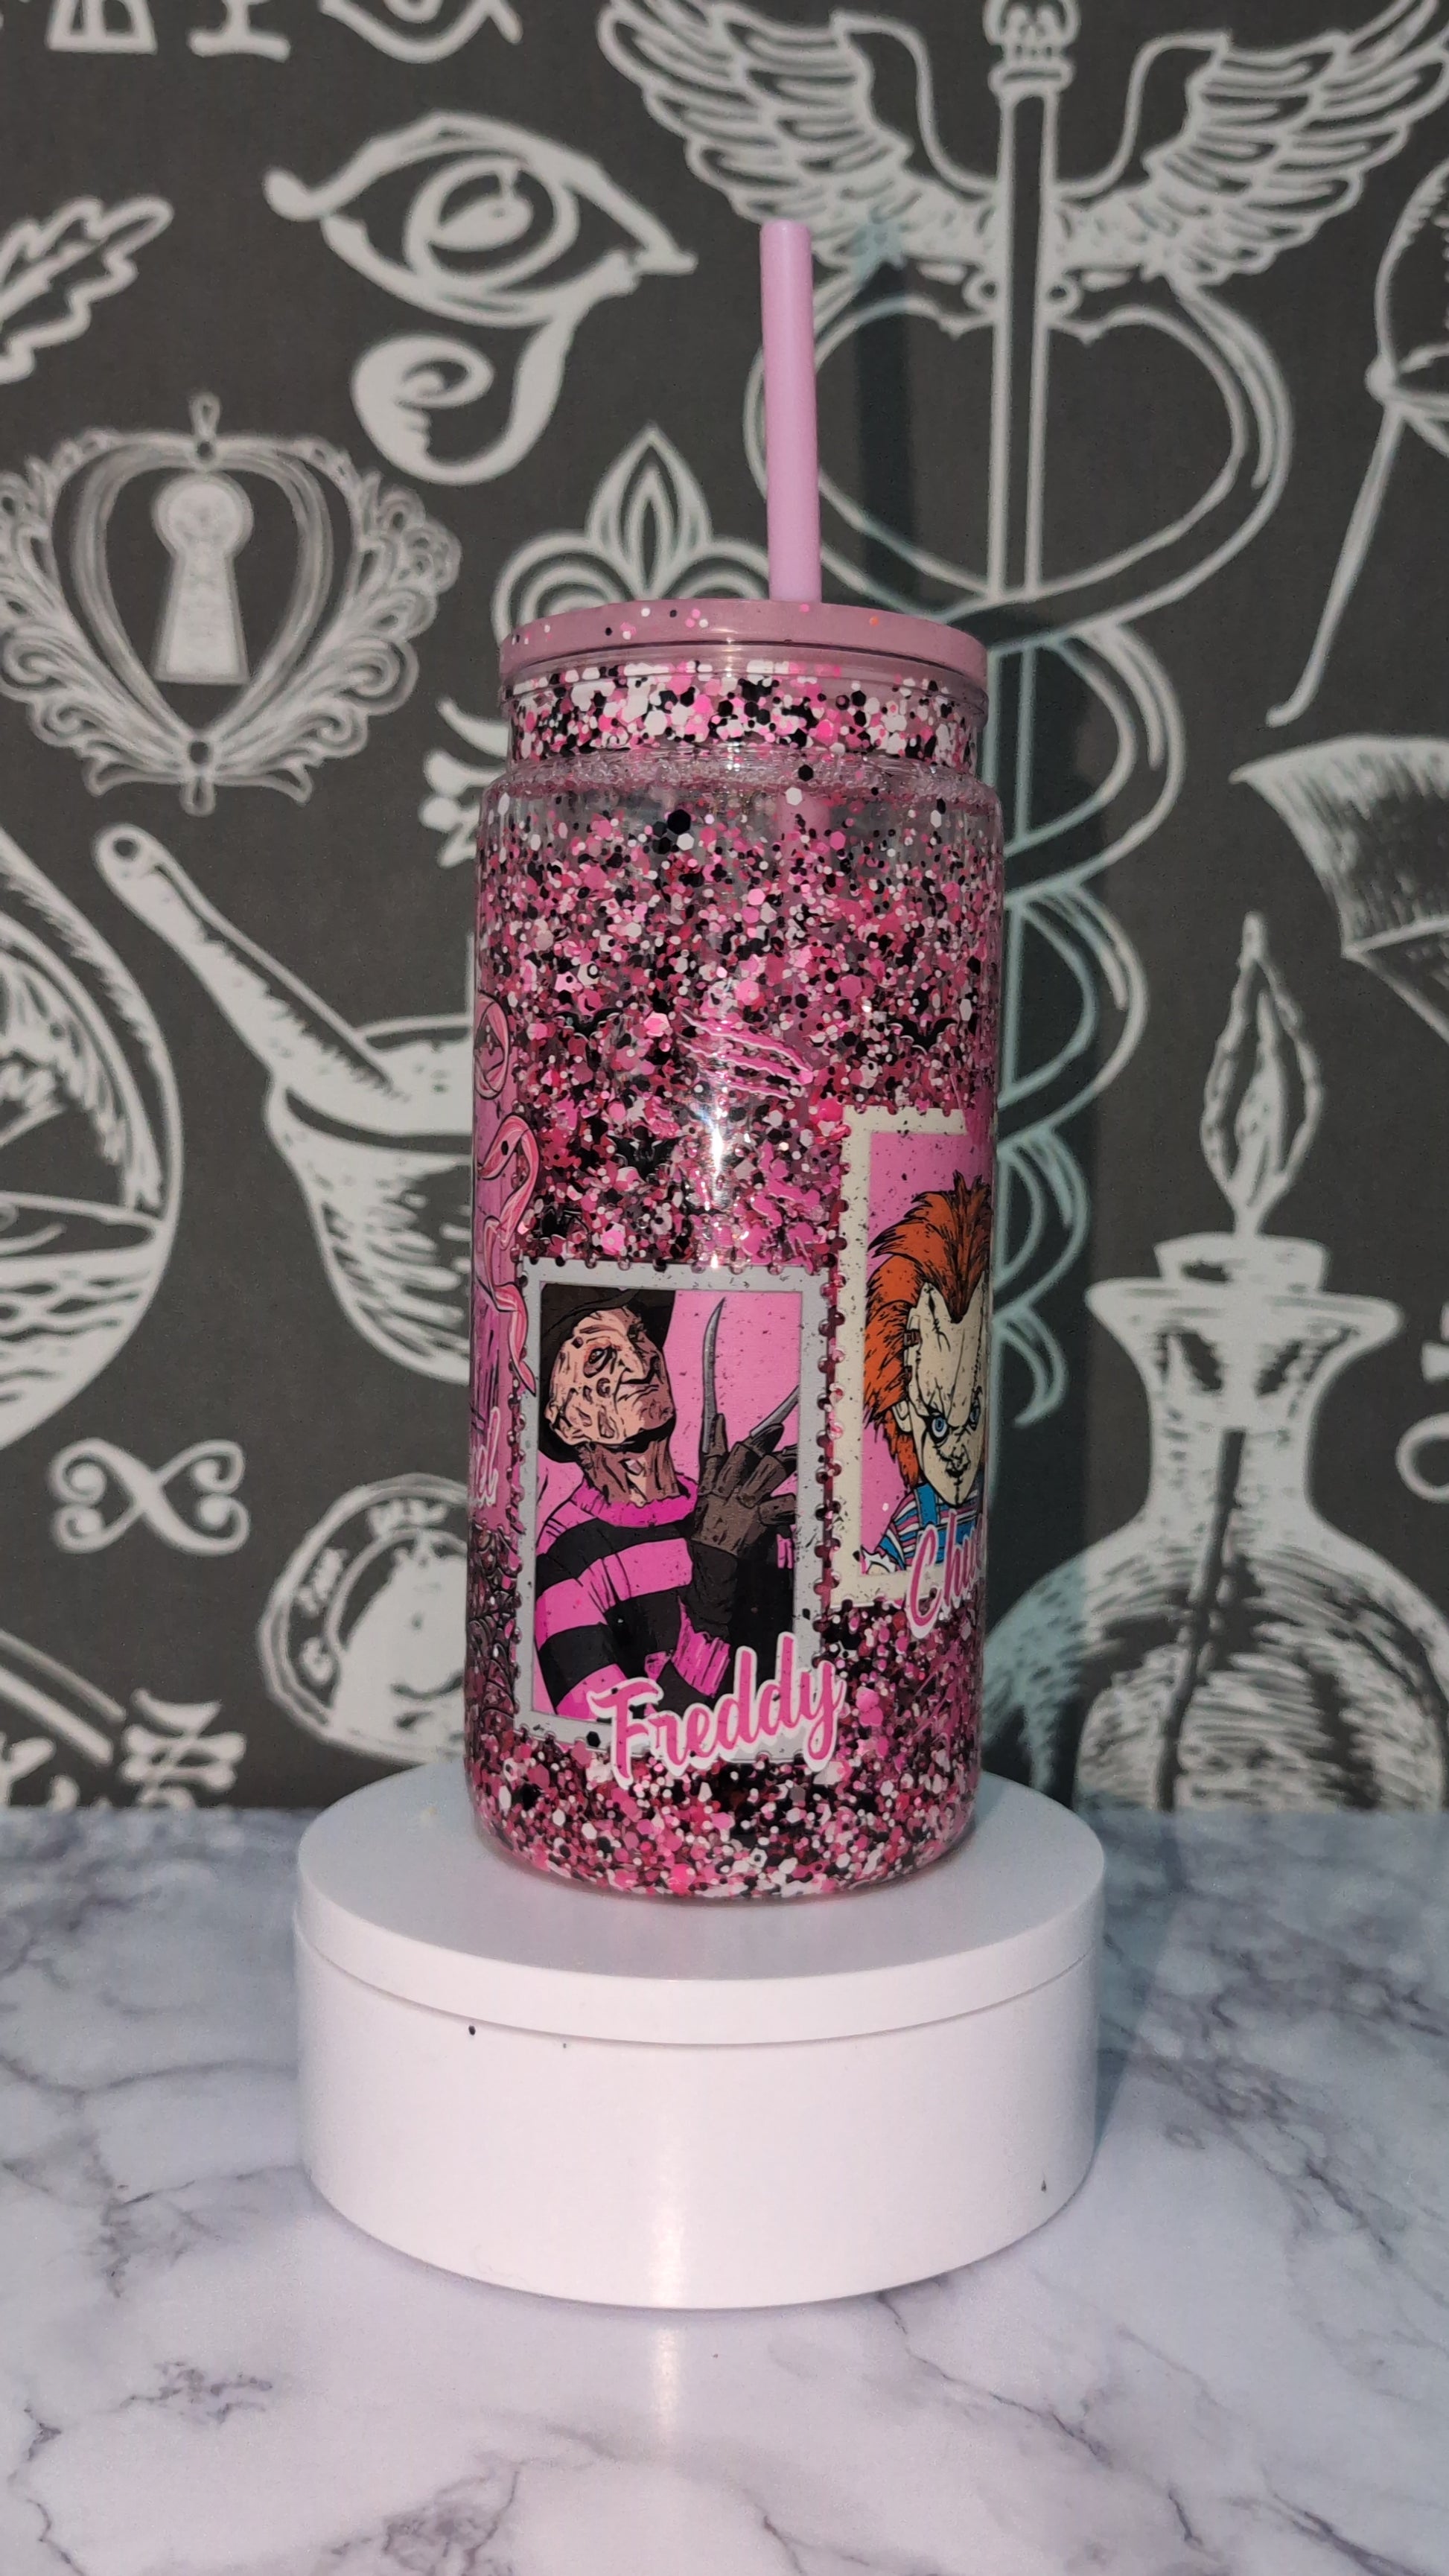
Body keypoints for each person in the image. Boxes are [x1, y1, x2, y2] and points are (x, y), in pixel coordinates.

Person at [533, 1286, 795, 1724]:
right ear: (565, 1420)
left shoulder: (742, 1512)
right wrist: (709, 1604)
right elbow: (610, 1738)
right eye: (600, 1357)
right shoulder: (565, 1559)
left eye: (638, 1336)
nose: (641, 1364)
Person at [863, 1176, 990, 1572]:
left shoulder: (974, 1499)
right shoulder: (912, 1517)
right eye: (938, 1425)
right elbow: (883, 1569)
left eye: (972, 1418)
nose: (958, 1450)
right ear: (902, 1410)